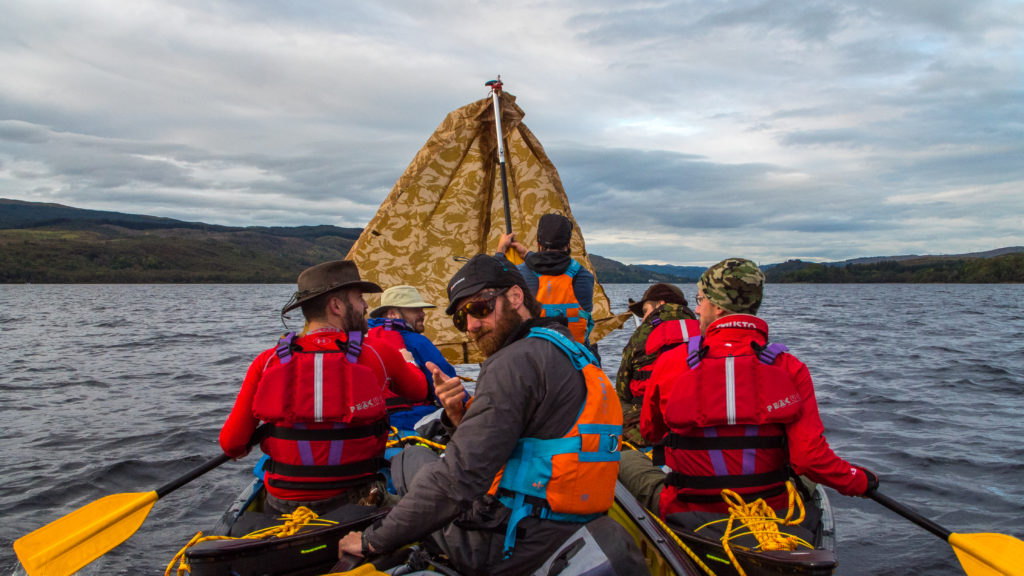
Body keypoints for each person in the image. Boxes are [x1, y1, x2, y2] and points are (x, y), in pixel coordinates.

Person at [338, 254, 643, 575]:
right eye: (461, 319)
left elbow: (460, 478)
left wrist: (373, 540)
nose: (470, 325)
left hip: (511, 541)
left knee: (410, 460)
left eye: (479, 309)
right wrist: (459, 414)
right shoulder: (572, 349)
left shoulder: (513, 362)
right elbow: (531, 441)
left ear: (514, 296)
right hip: (566, 523)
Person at [619, 258, 878, 531]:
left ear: (717, 306)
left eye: (700, 299)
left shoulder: (672, 362)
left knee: (624, 458)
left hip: (688, 511)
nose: (696, 309)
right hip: (772, 509)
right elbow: (811, 459)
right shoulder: (790, 367)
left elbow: (651, 433)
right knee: (804, 472)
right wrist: (859, 480)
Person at [218, 260, 428, 514]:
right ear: (336, 306)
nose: (366, 306)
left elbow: (231, 444)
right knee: (429, 511)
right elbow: (419, 391)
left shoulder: (268, 361)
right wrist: (408, 361)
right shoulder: (377, 353)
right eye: (359, 298)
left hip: (281, 504)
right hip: (357, 500)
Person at [615, 283, 698, 447]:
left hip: (650, 424)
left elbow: (622, 387)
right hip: (694, 421)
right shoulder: (703, 329)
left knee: (616, 401)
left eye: (645, 311)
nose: (644, 318)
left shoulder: (643, 333)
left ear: (660, 304)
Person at [497, 213, 596, 349]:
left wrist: (500, 251)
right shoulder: (585, 277)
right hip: (574, 360)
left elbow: (493, 278)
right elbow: (554, 265)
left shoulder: (518, 274)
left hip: (532, 357)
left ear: (539, 245)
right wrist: (527, 255)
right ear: (567, 246)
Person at [367, 285, 458, 432]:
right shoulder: (417, 342)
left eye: (421, 309)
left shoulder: (365, 339)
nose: (422, 314)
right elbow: (449, 383)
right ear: (392, 314)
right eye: (415, 310)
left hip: (376, 421)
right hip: (411, 420)